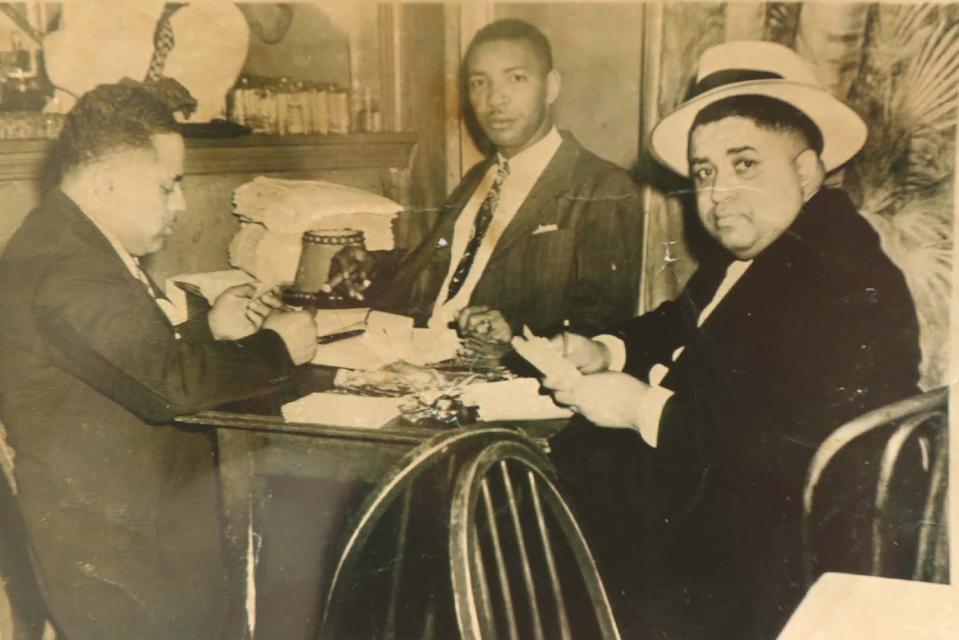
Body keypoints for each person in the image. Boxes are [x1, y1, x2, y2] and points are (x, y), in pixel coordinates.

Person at [543, 41, 921, 639]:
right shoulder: (769, 248)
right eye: (705, 173)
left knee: (522, 528)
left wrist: (639, 406)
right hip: (730, 527)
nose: (718, 195)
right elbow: (682, 319)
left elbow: (781, 452)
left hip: (771, 569)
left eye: (745, 164)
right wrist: (605, 349)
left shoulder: (838, 272)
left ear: (805, 169)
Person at [0, 82, 317, 639]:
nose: (182, 205)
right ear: (107, 182)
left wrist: (209, 329)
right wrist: (277, 348)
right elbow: (167, 384)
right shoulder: (67, 267)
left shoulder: (73, 241)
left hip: (135, 528)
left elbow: (122, 360)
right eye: (168, 186)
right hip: (120, 557)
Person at [355, 19, 643, 351]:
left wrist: (513, 338)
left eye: (516, 78)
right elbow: (436, 264)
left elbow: (603, 325)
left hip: (502, 378)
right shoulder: (479, 178)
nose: (495, 99)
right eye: (479, 82)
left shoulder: (601, 186)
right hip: (417, 352)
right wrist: (370, 264)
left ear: (551, 87)